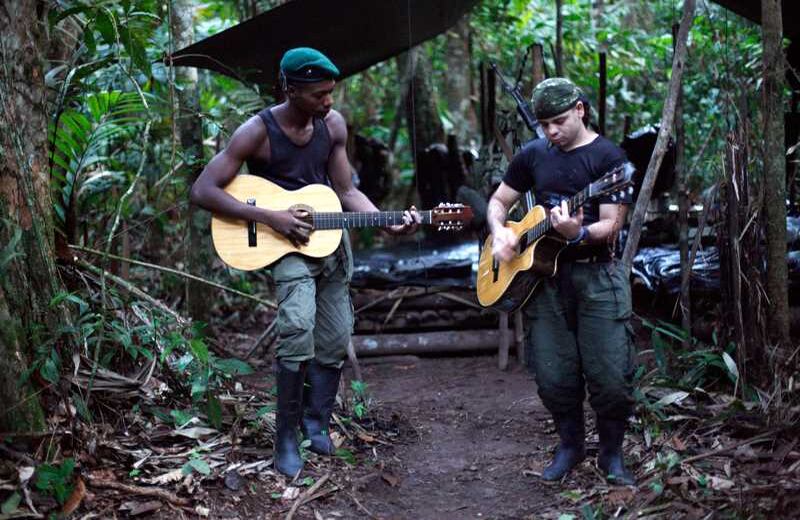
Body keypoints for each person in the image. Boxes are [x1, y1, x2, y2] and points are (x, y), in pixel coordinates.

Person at [189, 47, 419, 477]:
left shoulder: (331, 125)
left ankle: (316, 423)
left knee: (334, 336)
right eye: (318, 95)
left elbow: (347, 191)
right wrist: (271, 216)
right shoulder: (256, 132)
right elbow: (203, 190)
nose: (328, 102)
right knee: (297, 329)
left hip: (331, 245)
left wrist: (385, 222)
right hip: (286, 246)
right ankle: (287, 439)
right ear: (290, 90)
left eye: (331, 92)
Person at [486, 78, 636, 485]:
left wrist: (578, 234)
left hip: (597, 274)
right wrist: (500, 231)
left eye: (559, 121)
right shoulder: (532, 155)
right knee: (553, 375)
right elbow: (499, 201)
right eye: (544, 124)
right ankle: (569, 447)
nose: (551, 131)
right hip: (544, 282)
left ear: (580, 110)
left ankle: (611, 456)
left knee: (610, 375)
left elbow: (611, 224)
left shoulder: (610, 159)